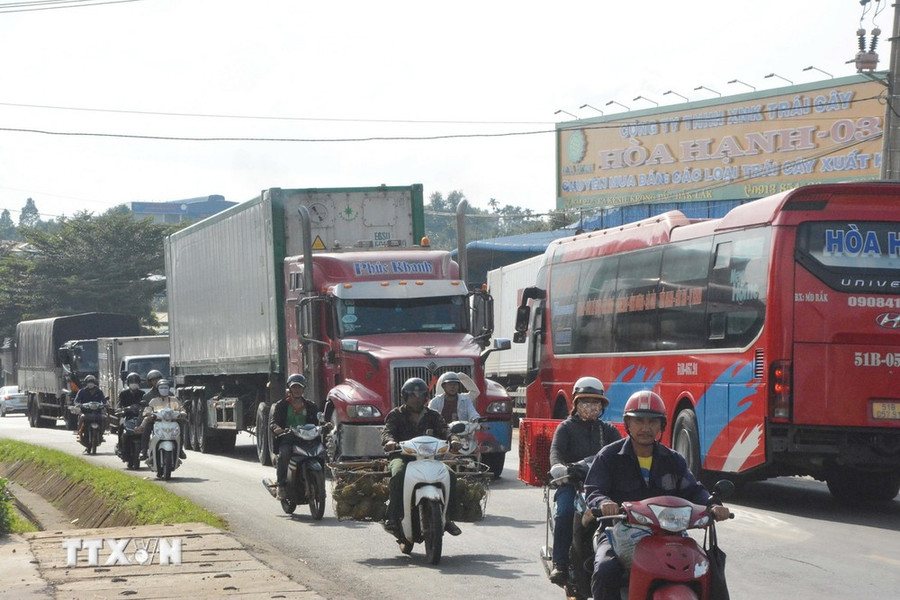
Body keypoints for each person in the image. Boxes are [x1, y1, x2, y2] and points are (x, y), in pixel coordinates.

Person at [584, 391, 731, 600]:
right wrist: (605, 502)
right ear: (627, 424)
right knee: (606, 569)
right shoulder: (609, 456)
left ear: (661, 425)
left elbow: (693, 489)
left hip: (669, 535)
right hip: (618, 533)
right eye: (639, 421)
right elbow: (594, 489)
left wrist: (712, 505)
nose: (646, 428)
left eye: (652, 422)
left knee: (707, 569)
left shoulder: (674, 460)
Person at [547, 376, 622, 585]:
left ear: (602, 406)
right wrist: (558, 467)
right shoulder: (566, 428)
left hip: (603, 487)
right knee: (565, 513)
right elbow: (555, 452)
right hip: (572, 484)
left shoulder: (608, 430)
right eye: (585, 402)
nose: (591, 406)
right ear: (576, 403)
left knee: (626, 514)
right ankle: (560, 564)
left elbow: (624, 453)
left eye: (596, 402)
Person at [381, 377, 462, 538]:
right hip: (403, 457)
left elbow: (445, 430)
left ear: (426, 397)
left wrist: (453, 440)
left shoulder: (433, 415)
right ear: (405, 397)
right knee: (397, 474)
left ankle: (448, 518)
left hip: (430, 459)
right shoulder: (396, 414)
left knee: (451, 475)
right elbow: (387, 431)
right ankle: (392, 517)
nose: (417, 399)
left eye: (420, 395)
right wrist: (390, 442)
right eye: (412, 395)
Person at [269, 373, 326, 500]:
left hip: (308, 439)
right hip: (289, 439)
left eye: (299, 387)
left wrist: (326, 424)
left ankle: (321, 486)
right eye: (294, 387)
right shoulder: (281, 405)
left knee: (322, 454)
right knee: (284, 454)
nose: (297, 390)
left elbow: (319, 421)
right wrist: (276, 428)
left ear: (303, 389)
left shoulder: (311, 405)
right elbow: (273, 422)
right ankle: (282, 486)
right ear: (289, 389)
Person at [138, 379, 187, 460]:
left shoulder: (174, 400)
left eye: (166, 388)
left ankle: (180, 450)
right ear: (158, 389)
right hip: (157, 422)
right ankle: (144, 450)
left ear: (168, 389)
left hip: (172, 422)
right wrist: (149, 413)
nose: (164, 390)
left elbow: (181, 409)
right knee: (147, 427)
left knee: (181, 426)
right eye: (161, 388)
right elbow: (147, 410)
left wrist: (182, 413)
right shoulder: (154, 401)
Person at [115, 372, 146, 451]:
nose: (134, 384)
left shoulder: (143, 394)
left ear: (139, 383)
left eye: (136, 382)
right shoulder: (123, 394)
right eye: (132, 382)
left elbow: (146, 405)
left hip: (139, 417)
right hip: (127, 416)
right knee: (121, 426)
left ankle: (145, 449)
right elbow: (120, 404)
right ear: (128, 383)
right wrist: (120, 409)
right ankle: (120, 446)